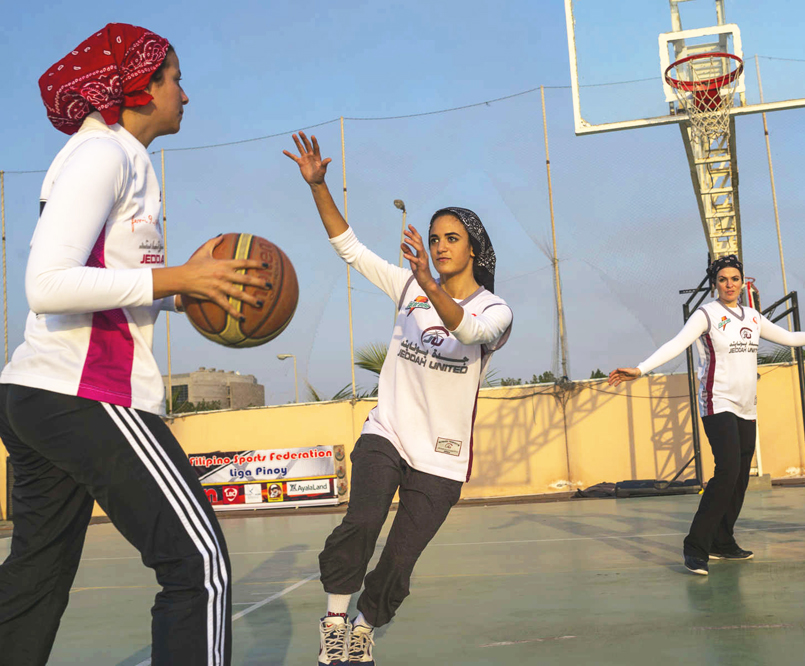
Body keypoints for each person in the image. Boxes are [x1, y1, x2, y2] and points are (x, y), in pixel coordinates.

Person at [0, 23, 270, 666]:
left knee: (34, 582)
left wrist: (179, 296)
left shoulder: (117, 157)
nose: (185, 94)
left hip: (40, 391)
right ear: (142, 88)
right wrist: (177, 275)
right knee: (198, 564)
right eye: (175, 79)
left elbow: (98, 281)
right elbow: (46, 284)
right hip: (84, 391)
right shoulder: (106, 155)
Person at [284, 132, 513, 665]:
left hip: (443, 456)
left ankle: (364, 627)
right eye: (434, 238)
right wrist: (318, 186)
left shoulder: (496, 309)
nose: (438, 246)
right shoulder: (408, 286)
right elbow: (349, 247)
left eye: (450, 238)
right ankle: (336, 621)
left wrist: (429, 284)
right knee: (362, 522)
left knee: (399, 562)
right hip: (386, 432)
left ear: (473, 249)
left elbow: (470, 332)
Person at [609, 255, 805, 576]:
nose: (729, 284)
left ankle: (722, 541)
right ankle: (696, 546)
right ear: (715, 284)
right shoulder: (707, 314)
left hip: (747, 407)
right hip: (717, 402)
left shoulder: (752, 317)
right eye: (723, 279)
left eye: (734, 279)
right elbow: (677, 344)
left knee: (741, 476)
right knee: (727, 470)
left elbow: (791, 338)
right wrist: (641, 369)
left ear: (743, 283)